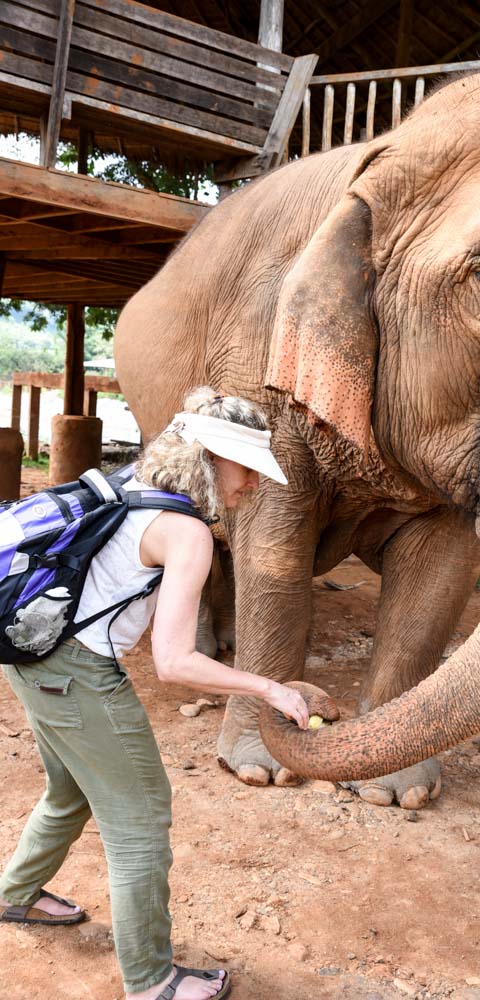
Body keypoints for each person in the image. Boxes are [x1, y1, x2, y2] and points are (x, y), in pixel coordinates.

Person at [0, 387, 310, 1000]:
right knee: (141, 821)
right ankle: (151, 979)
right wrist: (266, 686)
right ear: (214, 460)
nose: (251, 486)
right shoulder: (187, 531)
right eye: (247, 470)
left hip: (29, 653)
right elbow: (174, 663)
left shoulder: (126, 484)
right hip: (77, 674)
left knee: (69, 790)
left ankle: (16, 894)